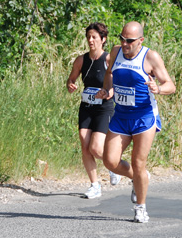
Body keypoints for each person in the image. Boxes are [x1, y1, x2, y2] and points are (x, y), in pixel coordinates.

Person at [96, 21, 175, 223]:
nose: (124, 44)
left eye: (129, 41)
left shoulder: (150, 57)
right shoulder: (115, 52)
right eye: (122, 39)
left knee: (138, 162)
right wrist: (107, 90)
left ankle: (141, 208)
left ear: (140, 40)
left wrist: (159, 89)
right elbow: (109, 73)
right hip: (121, 116)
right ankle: (139, 177)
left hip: (144, 117)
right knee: (110, 161)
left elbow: (170, 85)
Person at [66, 23, 122, 199]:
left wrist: (108, 92)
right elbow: (71, 78)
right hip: (86, 106)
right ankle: (94, 185)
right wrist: (71, 85)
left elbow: (117, 85)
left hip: (104, 107)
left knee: (97, 148)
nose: (90, 40)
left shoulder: (108, 60)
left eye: (94, 37)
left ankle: (114, 166)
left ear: (103, 40)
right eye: (88, 37)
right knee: (84, 143)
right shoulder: (81, 60)